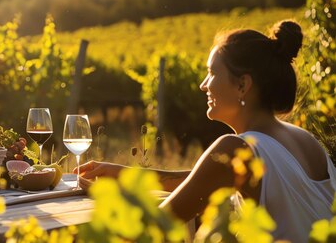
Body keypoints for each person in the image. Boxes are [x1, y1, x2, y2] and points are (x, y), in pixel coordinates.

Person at [75, 20, 336, 242]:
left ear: (242, 85)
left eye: (212, 73)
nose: (203, 85)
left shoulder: (235, 148)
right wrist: (128, 174)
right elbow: (203, 178)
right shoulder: (306, 141)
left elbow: (155, 228)